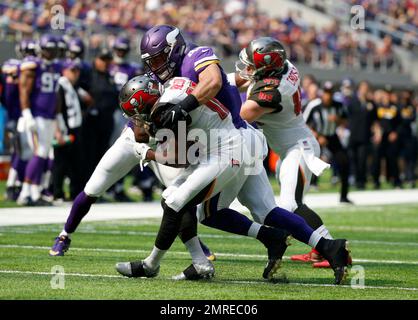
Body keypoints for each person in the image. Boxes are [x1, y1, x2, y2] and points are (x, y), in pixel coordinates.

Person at [115, 26, 351, 284]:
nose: (157, 67)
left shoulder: (194, 60)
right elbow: (227, 82)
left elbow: (214, 83)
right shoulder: (175, 83)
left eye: (160, 59)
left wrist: (155, 139)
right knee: (263, 212)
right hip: (241, 140)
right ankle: (327, 246)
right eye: (152, 62)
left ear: (174, 50)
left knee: (178, 201)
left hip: (231, 143)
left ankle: (160, 264)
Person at [230, 37, 338, 268]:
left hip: (299, 149)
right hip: (288, 149)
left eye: (252, 65)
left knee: (291, 205)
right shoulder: (283, 68)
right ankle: (321, 248)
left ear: (267, 68)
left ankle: (332, 247)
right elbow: (244, 79)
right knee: (288, 204)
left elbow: (238, 118)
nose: (247, 69)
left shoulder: (273, 92)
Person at [16, 34, 63, 206]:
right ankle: (25, 192)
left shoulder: (57, 66)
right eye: (47, 49)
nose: (50, 53)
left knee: (43, 153)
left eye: (53, 50)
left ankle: (34, 192)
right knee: (40, 153)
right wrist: (27, 113)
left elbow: (56, 94)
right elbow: (24, 91)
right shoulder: (33, 66)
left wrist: (59, 116)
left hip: (50, 116)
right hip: (37, 115)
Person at [306, 82, 353, 204]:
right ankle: (309, 186)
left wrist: (338, 120)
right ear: (323, 94)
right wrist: (317, 135)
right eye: (326, 93)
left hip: (332, 136)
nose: (328, 96)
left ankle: (344, 195)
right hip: (316, 136)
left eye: (330, 93)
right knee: (308, 161)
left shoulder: (338, 106)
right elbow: (303, 124)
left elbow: (346, 121)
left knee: (344, 161)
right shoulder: (314, 106)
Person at [52, 59, 88, 201]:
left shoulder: (73, 86)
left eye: (77, 70)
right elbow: (57, 109)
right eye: (72, 70)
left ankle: (74, 193)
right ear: (64, 70)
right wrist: (58, 130)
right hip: (64, 128)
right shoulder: (61, 84)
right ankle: (57, 193)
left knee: (75, 163)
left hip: (74, 128)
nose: (76, 73)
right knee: (60, 163)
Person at [82, 48, 119, 181]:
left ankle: (98, 185)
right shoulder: (88, 75)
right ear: (95, 60)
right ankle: (84, 185)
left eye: (108, 60)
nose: (105, 63)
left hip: (107, 120)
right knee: (88, 155)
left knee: (102, 155)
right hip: (90, 121)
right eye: (102, 59)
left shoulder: (109, 77)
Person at [346, 81, 377, 190]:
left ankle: (361, 181)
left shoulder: (371, 103)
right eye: (363, 88)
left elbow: (375, 120)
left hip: (364, 136)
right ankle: (353, 178)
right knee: (353, 159)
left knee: (362, 159)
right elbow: (347, 115)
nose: (364, 90)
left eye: (366, 88)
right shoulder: (353, 101)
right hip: (353, 135)